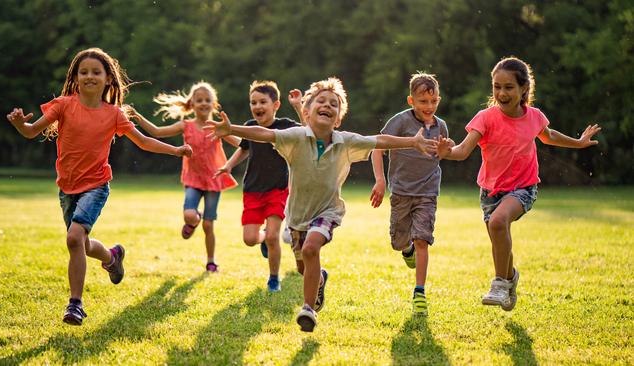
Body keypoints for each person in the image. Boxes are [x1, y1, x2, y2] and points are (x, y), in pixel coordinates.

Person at [205, 77, 438, 332]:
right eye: (321, 101)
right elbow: (264, 133)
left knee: (310, 248)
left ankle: (308, 309)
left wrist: (412, 142)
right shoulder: (295, 137)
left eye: (334, 104)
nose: (327, 105)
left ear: (337, 119)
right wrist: (232, 130)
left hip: (328, 211)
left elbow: (379, 140)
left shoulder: (345, 141)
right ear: (306, 112)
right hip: (297, 216)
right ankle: (319, 279)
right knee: (303, 266)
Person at [6, 47, 192, 326]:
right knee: (81, 242)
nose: (89, 76)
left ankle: (75, 305)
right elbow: (32, 131)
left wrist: (175, 151)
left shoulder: (113, 114)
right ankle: (112, 256)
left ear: (108, 79)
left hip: (96, 184)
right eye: (84, 72)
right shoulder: (63, 105)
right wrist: (21, 124)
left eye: (96, 72)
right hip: (68, 187)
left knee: (73, 238)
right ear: (75, 77)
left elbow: (143, 141)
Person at [437, 56, 601, 311]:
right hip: (491, 191)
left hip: (523, 188)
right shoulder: (485, 118)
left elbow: (549, 137)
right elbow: (462, 151)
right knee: (499, 237)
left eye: (508, 87)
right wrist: (445, 151)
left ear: (524, 88)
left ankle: (500, 283)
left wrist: (578, 143)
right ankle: (510, 278)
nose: (501, 93)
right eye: (496, 87)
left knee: (498, 222)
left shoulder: (534, 117)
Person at [125, 82, 240, 273]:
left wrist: (234, 132)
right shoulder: (185, 126)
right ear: (192, 104)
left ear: (214, 104)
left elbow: (240, 144)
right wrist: (137, 117)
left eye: (207, 100)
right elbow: (157, 132)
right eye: (199, 100)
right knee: (189, 214)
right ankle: (193, 220)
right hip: (193, 179)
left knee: (209, 225)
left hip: (214, 179)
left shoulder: (217, 127)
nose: (203, 103)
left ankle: (211, 261)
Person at [370, 72, 450, 315]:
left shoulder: (440, 126)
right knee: (399, 242)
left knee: (422, 239)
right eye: (423, 101)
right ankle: (407, 251)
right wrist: (381, 181)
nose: (429, 106)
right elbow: (377, 147)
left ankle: (419, 292)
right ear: (411, 101)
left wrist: (446, 151)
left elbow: (442, 155)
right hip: (401, 192)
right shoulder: (401, 122)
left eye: (434, 101)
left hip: (427, 192)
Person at [215, 80, 303, 292]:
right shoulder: (249, 127)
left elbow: (308, 132)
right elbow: (244, 149)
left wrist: (299, 107)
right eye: (253, 102)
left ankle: (274, 278)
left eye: (262, 102)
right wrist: (227, 166)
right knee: (249, 239)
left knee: (274, 236)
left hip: (278, 189)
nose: (257, 106)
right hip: (252, 190)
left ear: (276, 105)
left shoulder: (284, 126)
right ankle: (263, 240)